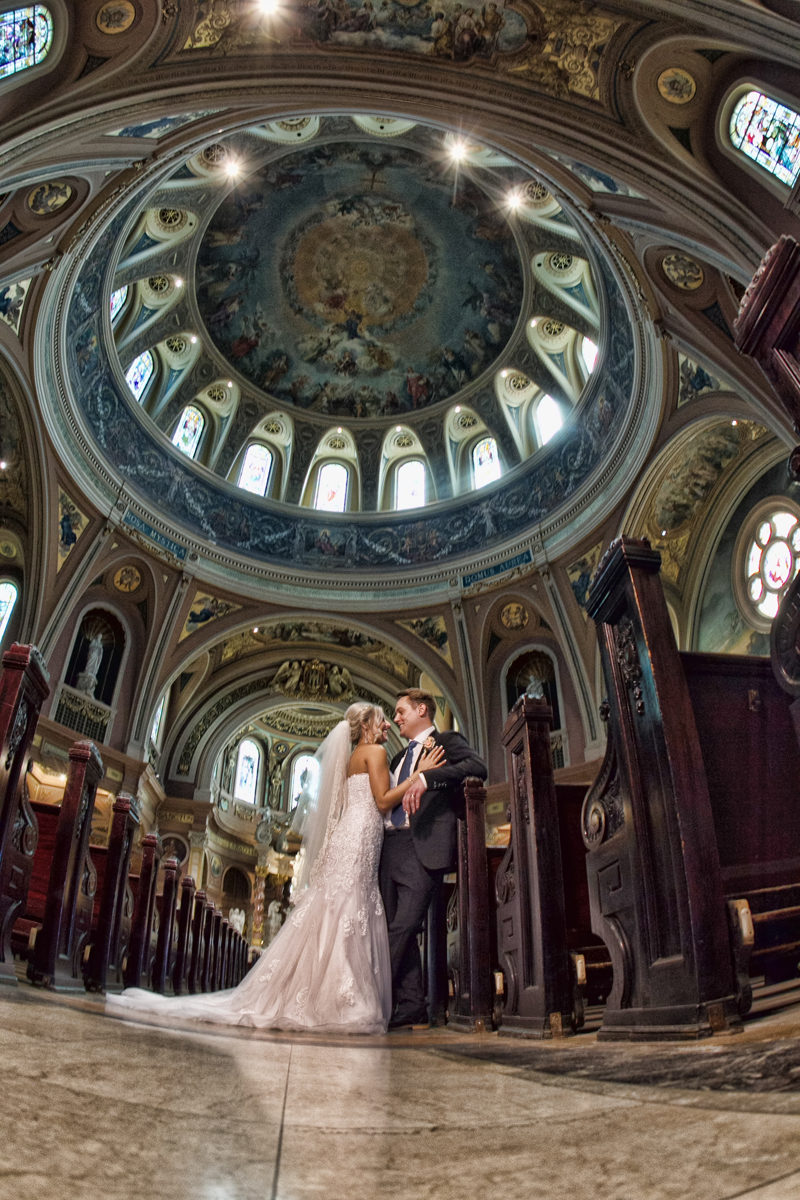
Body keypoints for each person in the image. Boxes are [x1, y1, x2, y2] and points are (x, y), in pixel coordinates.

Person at [106, 702, 444, 1034]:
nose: (387, 725)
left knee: (338, 908)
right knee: (350, 908)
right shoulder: (377, 753)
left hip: (350, 835)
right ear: (367, 725)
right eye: (382, 720)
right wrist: (419, 775)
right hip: (360, 837)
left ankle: (325, 994)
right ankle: (342, 999)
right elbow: (383, 801)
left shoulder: (351, 757)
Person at [380, 688, 487, 1031]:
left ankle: (371, 993)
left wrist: (427, 778)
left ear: (421, 710)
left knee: (403, 925)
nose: (396, 718)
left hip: (423, 845)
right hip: (389, 846)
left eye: (401, 711)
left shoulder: (446, 741)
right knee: (394, 927)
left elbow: (477, 767)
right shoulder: (397, 759)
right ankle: (412, 1005)